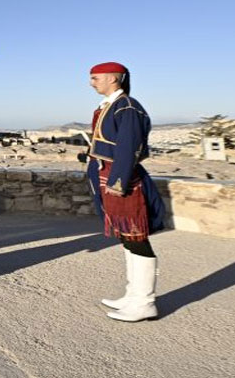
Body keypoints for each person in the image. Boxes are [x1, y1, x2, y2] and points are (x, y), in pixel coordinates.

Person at [85, 61, 166, 322]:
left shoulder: (127, 107)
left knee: (135, 236)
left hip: (121, 179)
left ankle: (145, 303)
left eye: (96, 77)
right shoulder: (111, 106)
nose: (91, 82)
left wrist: (118, 181)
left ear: (114, 79)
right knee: (126, 236)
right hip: (107, 175)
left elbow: (128, 146)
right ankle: (133, 295)